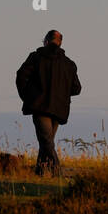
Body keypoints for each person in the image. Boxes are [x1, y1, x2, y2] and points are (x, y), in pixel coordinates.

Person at [15, 29, 81, 176]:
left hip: (39, 106)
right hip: (59, 109)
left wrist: (27, 96)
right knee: (46, 140)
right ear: (60, 43)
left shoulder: (36, 57)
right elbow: (77, 89)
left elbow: (20, 76)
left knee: (46, 141)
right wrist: (61, 93)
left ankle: (57, 172)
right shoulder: (69, 64)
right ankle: (40, 171)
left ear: (46, 41)